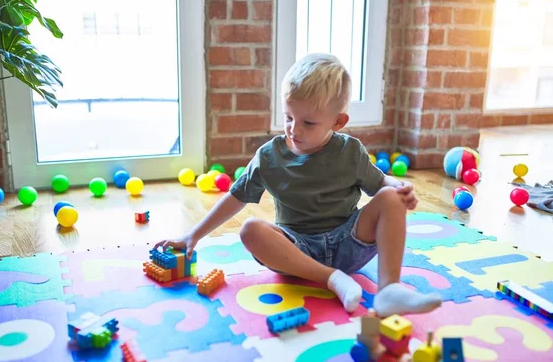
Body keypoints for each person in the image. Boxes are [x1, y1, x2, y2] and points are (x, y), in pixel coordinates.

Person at [155, 53, 442, 317]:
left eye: (308, 122)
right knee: (250, 230)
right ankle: (331, 279)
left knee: (391, 197)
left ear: (338, 121)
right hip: (296, 251)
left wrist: (399, 185)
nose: (294, 129)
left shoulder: (350, 152)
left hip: (349, 244)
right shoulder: (269, 155)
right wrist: (193, 235)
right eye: (288, 117)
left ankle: (389, 290)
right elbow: (236, 196)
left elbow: (380, 183)